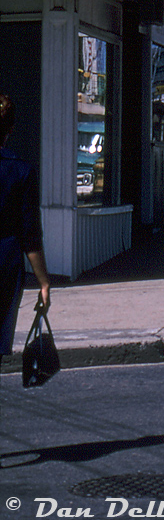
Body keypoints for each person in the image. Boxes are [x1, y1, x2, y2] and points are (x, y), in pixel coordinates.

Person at [0, 95, 51, 365]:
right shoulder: (21, 172)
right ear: (10, 129)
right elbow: (30, 235)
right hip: (4, 263)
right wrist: (43, 281)